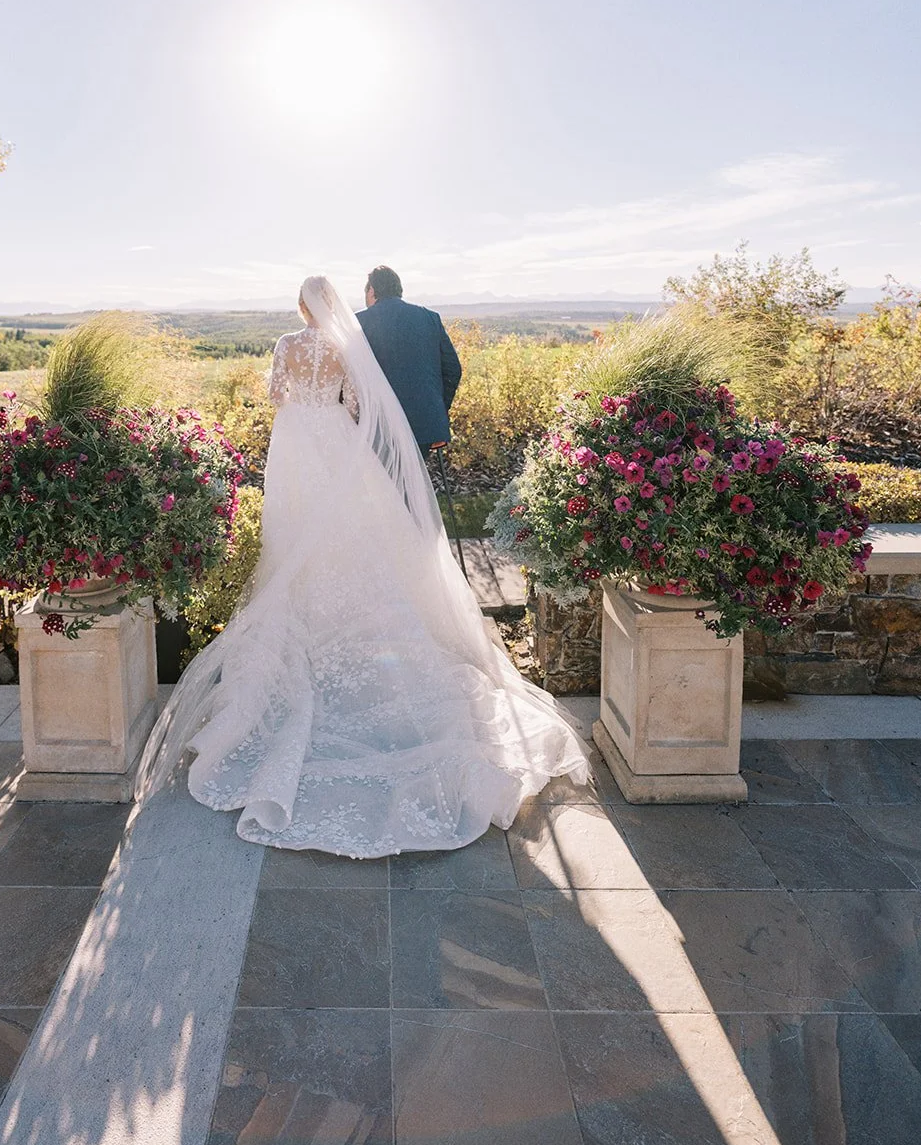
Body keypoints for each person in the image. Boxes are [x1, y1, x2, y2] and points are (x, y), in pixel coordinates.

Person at [140, 275, 589, 857]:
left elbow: (277, 395)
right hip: (331, 439)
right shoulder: (345, 348)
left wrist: (301, 407)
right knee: (352, 536)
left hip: (293, 445)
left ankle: (305, 615)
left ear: (301, 306)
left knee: (295, 536)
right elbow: (356, 404)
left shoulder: (284, 344)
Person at [357, 264, 461, 452]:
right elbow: (453, 368)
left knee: (382, 481)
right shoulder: (430, 317)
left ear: (371, 290)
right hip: (426, 424)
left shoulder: (360, 322)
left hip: (380, 426)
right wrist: (439, 407)